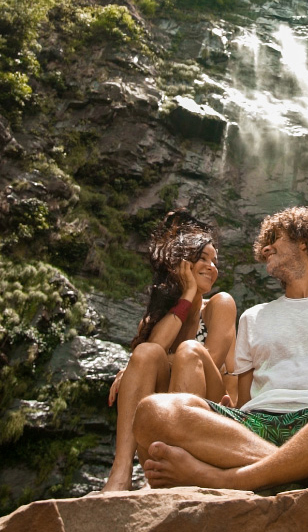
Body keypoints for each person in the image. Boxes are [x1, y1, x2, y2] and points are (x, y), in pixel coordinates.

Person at [132, 206, 308, 492]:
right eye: (265, 244)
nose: (266, 248)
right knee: (153, 411)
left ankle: (230, 479)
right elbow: (245, 402)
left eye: (276, 238)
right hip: (259, 424)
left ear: (304, 242)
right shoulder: (253, 317)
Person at [101, 208, 237, 492]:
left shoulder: (220, 305)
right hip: (162, 425)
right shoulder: (159, 319)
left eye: (215, 261)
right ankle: (121, 472)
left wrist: (133, 371)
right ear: (182, 264)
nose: (212, 267)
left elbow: (205, 360)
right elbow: (152, 351)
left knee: (188, 352)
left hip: (211, 422)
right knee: (147, 354)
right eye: (203, 258)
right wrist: (187, 295)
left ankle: (183, 470)